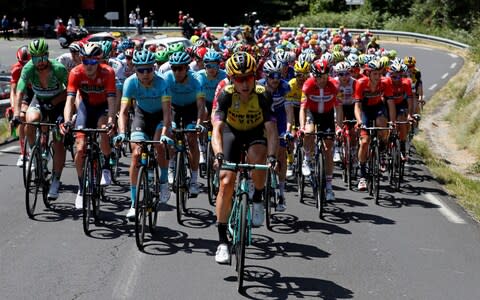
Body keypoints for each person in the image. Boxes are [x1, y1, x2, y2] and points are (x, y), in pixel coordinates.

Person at [212, 51, 278, 263]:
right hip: (232, 132)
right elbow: (217, 129)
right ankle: (222, 242)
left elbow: (271, 130)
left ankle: (257, 197)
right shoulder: (226, 94)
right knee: (225, 181)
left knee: (258, 159)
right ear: (232, 79)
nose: (245, 83)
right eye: (239, 79)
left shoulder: (263, 94)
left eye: (249, 77)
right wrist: (219, 154)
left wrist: (273, 156)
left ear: (255, 76)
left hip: (255, 132)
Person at [115, 50, 173, 220]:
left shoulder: (163, 83)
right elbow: (124, 112)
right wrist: (121, 133)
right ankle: (134, 203)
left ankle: (163, 181)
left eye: (149, 69)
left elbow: (167, 113)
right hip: (141, 116)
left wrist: (164, 133)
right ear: (135, 70)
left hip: (160, 117)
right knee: (135, 155)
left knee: (159, 144)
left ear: (154, 68)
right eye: (141, 70)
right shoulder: (130, 82)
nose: (146, 74)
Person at [11, 39, 68, 200]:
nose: (40, 63)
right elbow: (20, 93)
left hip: (58, 103)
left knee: (58, 141)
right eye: (36, 59)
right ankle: (34, 153)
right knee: (30, 120)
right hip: (40, 100)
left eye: (42, 58)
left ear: (48, 55)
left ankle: (56, 180)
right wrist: (16, 115)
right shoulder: (28, 69)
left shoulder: (58, 68)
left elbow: (71, 91)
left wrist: (54, 103)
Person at [61, 42, 116, 209]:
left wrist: (112, 120)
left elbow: (112, 100)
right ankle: (81, 187)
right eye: (85, 61)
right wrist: (67, 121)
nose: (89, 65)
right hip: (86, 107)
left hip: (103, 108)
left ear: (99, 61)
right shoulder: (76, 72)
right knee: (80, 147)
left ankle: (106, 164)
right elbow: (69, 100)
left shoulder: (108, 72)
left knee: (102, 128)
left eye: (93, 62)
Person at [162, 51, 205, 194]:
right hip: (173, 108)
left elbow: (200, 106)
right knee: (170, 135)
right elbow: (165, 105)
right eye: (174, 68)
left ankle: (193, 180)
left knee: (192, 139)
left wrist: (199, 124)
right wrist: (167, 124)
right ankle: (171, 167)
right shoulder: (167, 78)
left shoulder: (197, 79)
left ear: (187, 68)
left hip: (191, 109)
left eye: (180, 68)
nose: (176, 72)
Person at [299, 59, 341, 202]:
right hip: (312, 113)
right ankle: (306, 158)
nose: (322, 80)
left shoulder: (334, 84)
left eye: (324, 77)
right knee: (309, 132)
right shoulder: (308, 85)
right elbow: (302, 108)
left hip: (327, 115)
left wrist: (339, 126)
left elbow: (339, 107)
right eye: (319, 77)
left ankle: (329, 187)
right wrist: (302, 126)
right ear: (313, 76)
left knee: (328, 149)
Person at [354, 59, 393, 191]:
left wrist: (391, 122)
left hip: (378, 107)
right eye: (375, 74)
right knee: (364, 142)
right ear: (369, 74)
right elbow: (357, 106)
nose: (378, 77)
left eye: (380, 73)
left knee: (383, 125)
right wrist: (359, 122)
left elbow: (390, 104)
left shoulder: (386, 82)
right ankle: (362, 176)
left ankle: (382, 150)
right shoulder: (361, 83)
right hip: (364, 110)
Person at [257, 58, 290, 211]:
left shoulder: (285, 86)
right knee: (261, 153)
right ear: (266, 76)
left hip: (280, 118)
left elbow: (289, 112)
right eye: (272, 76)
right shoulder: (258, 86)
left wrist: (289, 129)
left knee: (281, 155)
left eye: (278, 76)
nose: (275, 80)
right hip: (263, 118)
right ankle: (258, 186)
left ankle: (281, 193)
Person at [10, 45, 33, 167]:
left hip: (39, 91)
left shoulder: (36, 66)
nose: (24, 66)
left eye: (27, 63)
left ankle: (44, 144)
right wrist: (15, 110)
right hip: (26, 93)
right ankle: (23, 153)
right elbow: (13, 92)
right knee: (22, 118)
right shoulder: (16, 69)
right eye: (21, 63)